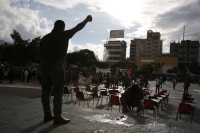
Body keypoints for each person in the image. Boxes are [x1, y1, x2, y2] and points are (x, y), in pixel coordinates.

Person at [39, 15, 92, 125]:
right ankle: (57, 117)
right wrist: (87, 19)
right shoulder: (63, 35)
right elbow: (78, 27)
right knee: (58, 92)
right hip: (57, 66)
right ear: (62, 27)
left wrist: (42, 66)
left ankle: (47, 113)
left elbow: (40, 54)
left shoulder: (45, 38)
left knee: (45, 92)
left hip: (45, 66)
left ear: (54, 26)